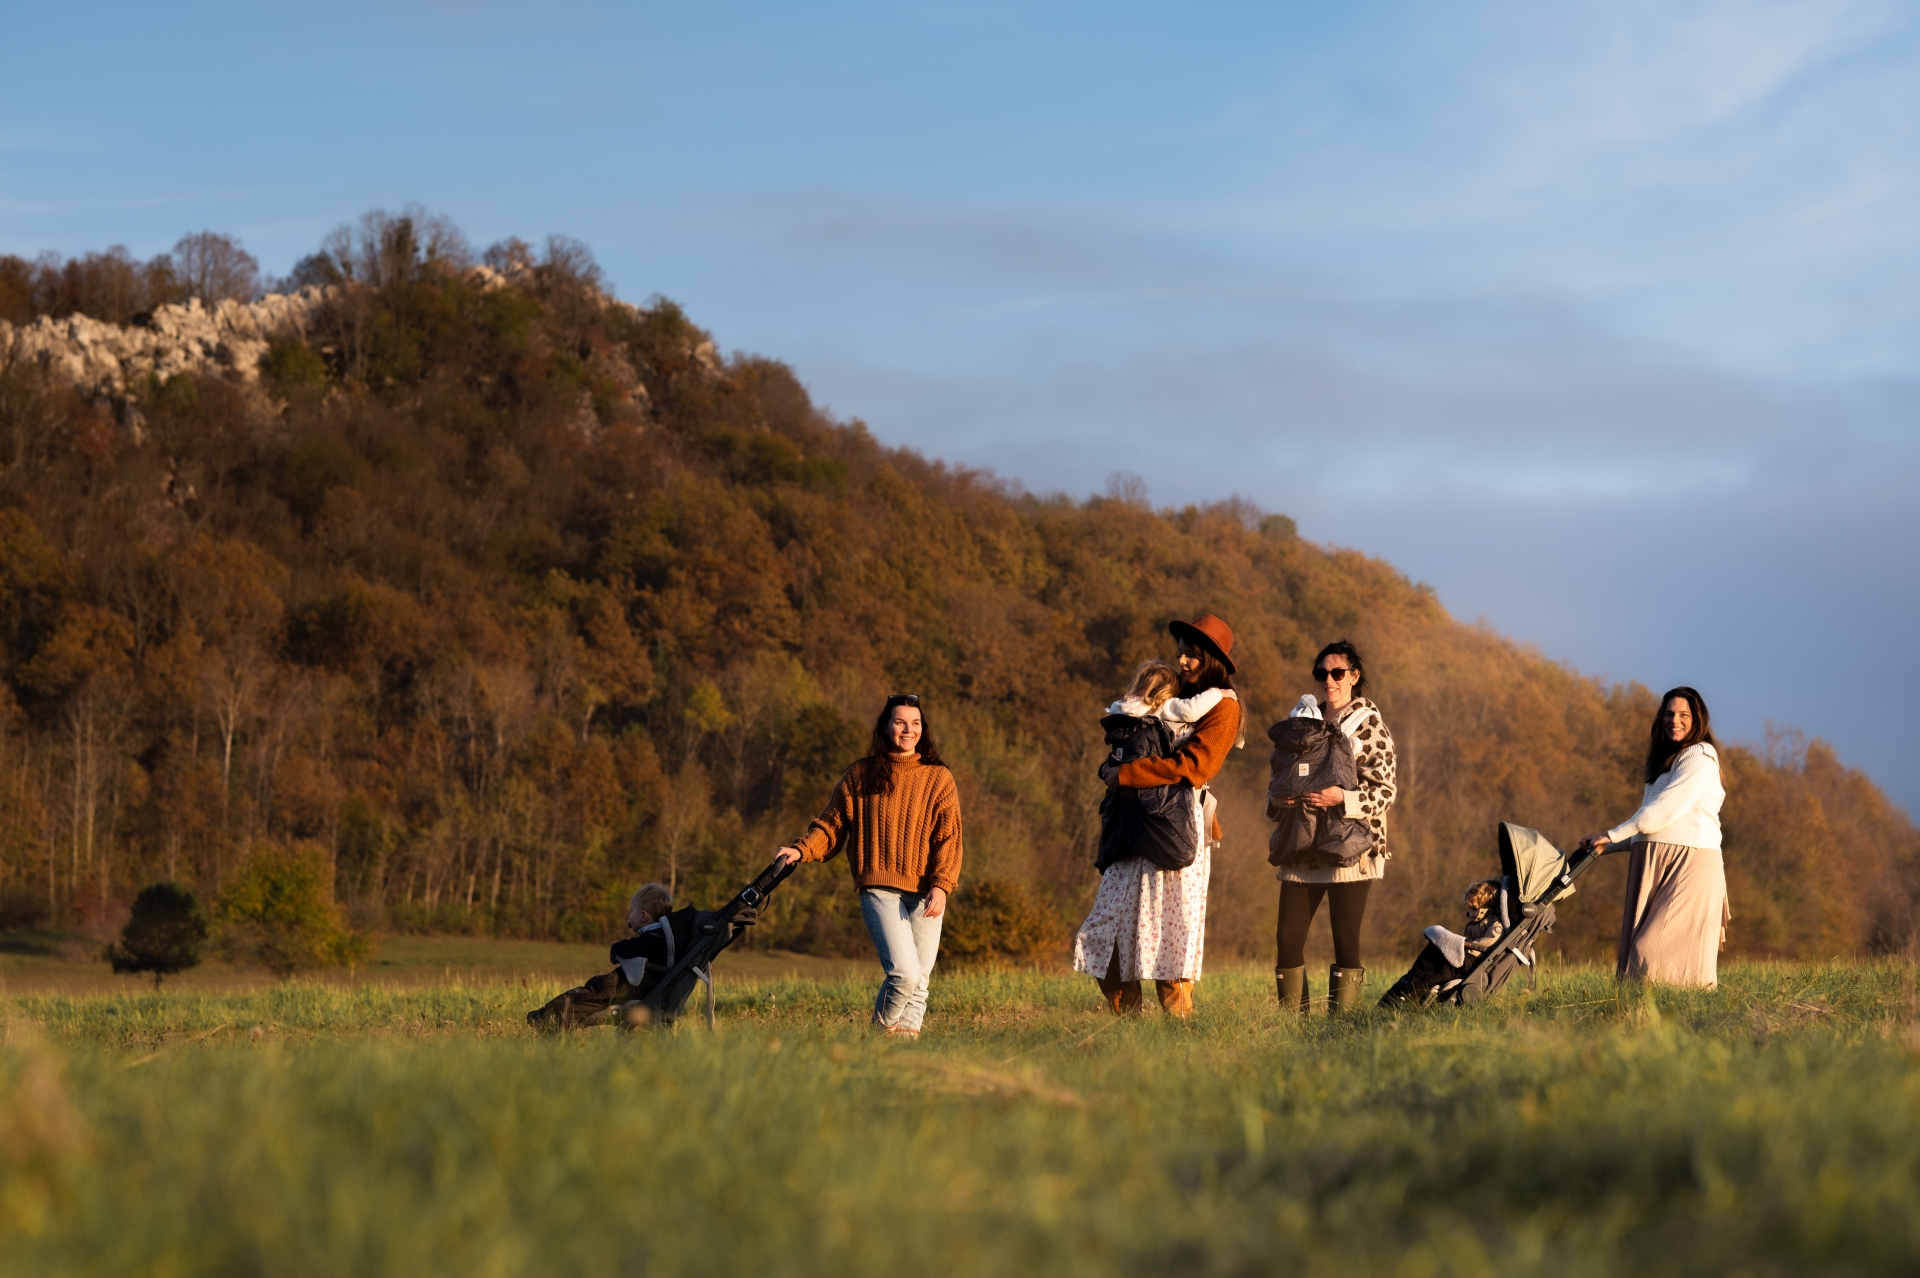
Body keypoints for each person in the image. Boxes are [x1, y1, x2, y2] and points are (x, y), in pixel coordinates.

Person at [1073, 614, 1244, 1019]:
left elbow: (1196, 766)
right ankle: (1128, 1019)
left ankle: (1178, 1028)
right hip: (1133, 826)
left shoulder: (1223, 708)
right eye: (1181, 653)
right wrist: (1111, 766)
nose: (1183, 661)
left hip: (1178, 830)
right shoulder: (1168, 693)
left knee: (1171, 934)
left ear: (1213, 660)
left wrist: (1126, 776)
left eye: (1192, 656)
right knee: (1102, 930)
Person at [774, 694, 963, 1038]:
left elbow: (949, 837)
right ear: (886, 726)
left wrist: (942, 884)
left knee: (920, 983)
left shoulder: (938, 778)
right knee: (903, 975)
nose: (909, 730)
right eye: (901, 722)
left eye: (916, 723)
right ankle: (878, 1039)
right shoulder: (861, 774)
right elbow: (830, 826)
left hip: (926, 894)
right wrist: (801, 849)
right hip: (879, 887)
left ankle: (902, 1062)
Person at [1272, 640, 1398, 1014]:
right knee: (1287, 939)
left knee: (1345, 939)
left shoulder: (1371, 726)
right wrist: (1276, 801)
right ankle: (1294, 1026)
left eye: (1337, 672)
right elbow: (1279, 777)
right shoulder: (1301, 722)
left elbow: (1385, 791)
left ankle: (1341, 1029)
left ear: (1354, 677)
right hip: (1301, 844)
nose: (1329, 680)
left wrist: (1341, 798)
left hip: (1351, 849)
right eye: (1322, 673)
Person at [1580, 686, 1729, 988]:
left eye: (1684, 715)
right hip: (1660, 863)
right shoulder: (1666, 763)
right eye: (1669, 714)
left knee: (1647, 952)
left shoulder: (1700, 757)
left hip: (1689, 865)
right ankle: (1667, 1017)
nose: (1675, 720)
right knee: (1651, 954)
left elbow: (1654, 816)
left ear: (1698, 719)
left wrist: (1611, 833)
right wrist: (1607, 845)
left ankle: (1668, 1009)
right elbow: (1652, 831)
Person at [526, 882, 688, 1029]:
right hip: (636, 988)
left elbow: (631, 948)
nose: (630, 915)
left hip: (623, 988)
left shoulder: (652, 939)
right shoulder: (666, 940)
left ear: (643, 916)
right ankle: (551, 1020)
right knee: (589, 993)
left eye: (632, 911)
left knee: (585, 994)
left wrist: (615, 949)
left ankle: (543, 1017)